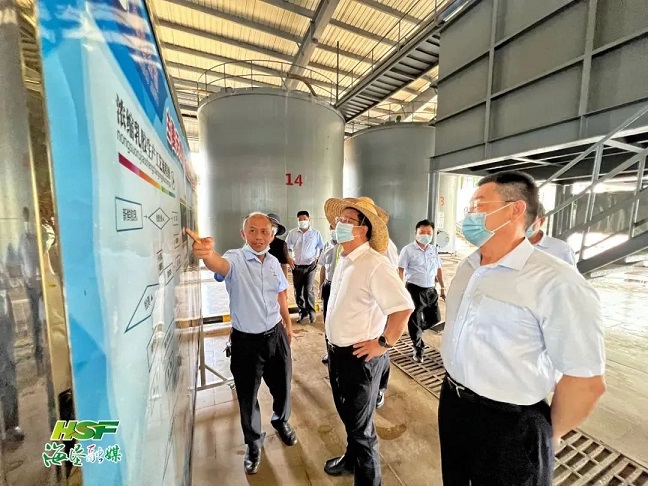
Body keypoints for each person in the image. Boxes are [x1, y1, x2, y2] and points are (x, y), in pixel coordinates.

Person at [440, 171, 606, 486]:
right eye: (469, 208)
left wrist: (545, 435)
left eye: (478, 205)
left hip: (511, 423)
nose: (469, 216)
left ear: (515, 210)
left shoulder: (556, 282)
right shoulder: (468, 266)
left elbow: (586, 382)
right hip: (453, 403)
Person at [186, 213, 298, 475]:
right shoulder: (235, 258)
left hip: (276, 336)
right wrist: (207, 255)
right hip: (246, 342)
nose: (259, 237)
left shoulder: (273, 262)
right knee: (248, 396)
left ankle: (281, 421)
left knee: (283, 386)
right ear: (243, 233)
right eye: (253, 231)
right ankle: (253, 443)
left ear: (272, 235)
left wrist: (288, 326)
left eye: (264, 232)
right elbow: (219, 265)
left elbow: (281, 296)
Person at [322, 197, 414, 485]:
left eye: (346, 221)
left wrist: (383, 344)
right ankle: (351, 460)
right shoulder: (346, 259)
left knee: (362, 431)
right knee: (350, 417)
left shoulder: (375, 264)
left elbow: (403, 309)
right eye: (339, 220)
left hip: (359, 358)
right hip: (337, 354)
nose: (339, 225)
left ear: (363, 229)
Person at [398, 219, 446, 363]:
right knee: (415, 320)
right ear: (416, 234)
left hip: (431, 290)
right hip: (414, 290)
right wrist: (400, 289)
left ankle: (416, 330)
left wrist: (442, 287)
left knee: (435, 318)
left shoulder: (434, 250)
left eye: (429, 233)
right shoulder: (408, 250)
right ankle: (418, 348)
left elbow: (438, 268)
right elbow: (400, 269)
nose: (425, 235)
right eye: (422, 232)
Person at [18, 206, 44, 374]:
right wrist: (26, 279)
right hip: (31, 286)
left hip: (42, 285)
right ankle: (38, 357)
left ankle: (44, 355)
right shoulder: (22, 242)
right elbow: (21, 263)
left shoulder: (37, 240)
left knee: (44, 321)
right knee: (35, 322)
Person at [286, 210, 324, 323]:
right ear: (297, 220)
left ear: (309, 219)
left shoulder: (316, 233)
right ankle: (302, 313)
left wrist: (318, 257)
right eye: (300, 219)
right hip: (296, 266)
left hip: (310, 266)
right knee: (298, 291)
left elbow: (321, 246)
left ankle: (311, 312)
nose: (302, 221)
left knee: (308, 289)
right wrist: (289, 258)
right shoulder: (292, 233)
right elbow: (287, 247)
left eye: (304, 219)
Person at [0, 258, 23, 443]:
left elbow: (5, 290)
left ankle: (11, 425)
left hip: (4, 325)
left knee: (9, 375)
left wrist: (12, 322)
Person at [319, 223, 340, 365]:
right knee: (328, 320)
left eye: (335, 227)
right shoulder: (327, 245)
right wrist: (321, 285)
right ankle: (330, 351)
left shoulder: (347, 246)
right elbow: (323, 267)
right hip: (329, 285)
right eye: (331, 227)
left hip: (342, 287)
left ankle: (340, 351)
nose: (333, 230)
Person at [267, 213, 290, 278]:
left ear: (277, 229)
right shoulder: (257, 242)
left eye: (274, 226)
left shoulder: (281, 244)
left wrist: (284, 281)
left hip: (275, 278)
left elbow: (283, 265)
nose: (272, 227)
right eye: (270, 225)